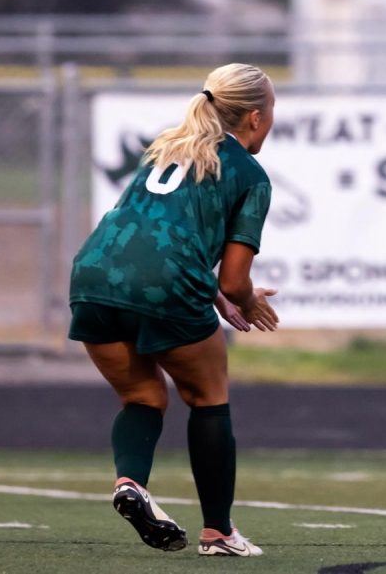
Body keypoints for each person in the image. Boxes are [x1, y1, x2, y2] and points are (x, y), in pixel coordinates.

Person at [68, 63, 280, 557]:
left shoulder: (167, 149)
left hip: (94, 274)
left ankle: (130, 484)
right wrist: (243, 298)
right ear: (254, 117)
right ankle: (219, 534)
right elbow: (232, 278)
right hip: (167, 282)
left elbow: (152, 236)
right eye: (271, 111)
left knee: (143, 396)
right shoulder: (250, 174)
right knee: (207, 396)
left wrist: (212, 290)